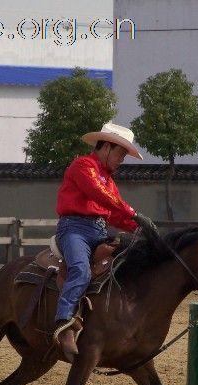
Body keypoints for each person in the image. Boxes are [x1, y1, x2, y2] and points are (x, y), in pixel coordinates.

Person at [53, 122, 158, 361]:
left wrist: (140, 228)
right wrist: (134, 213)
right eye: (121, 154)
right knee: (80, 269)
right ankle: (64, 323)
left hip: (98, 230)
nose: (122, 160)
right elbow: (101, 195)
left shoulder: (108, 180)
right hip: (74, 230)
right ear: (108, 147)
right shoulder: (84, 165)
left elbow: (114, 213)